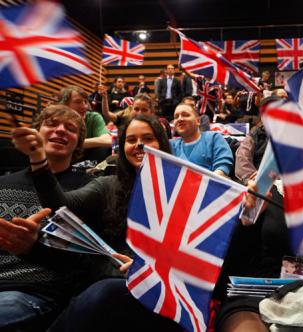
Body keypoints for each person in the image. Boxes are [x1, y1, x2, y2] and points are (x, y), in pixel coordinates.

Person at [12, 115, 183, 331]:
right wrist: (38, 158)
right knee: (106, 291)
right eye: (131, 140)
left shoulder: (184, 191)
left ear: (163, 143)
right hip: (109, 287)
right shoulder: (107, 185)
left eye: (148, 138)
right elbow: (62, 205)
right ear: (122, 148)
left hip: (162, 291)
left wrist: (150, 269)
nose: (139, 145)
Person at [0, 105, 94, 330]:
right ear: (36, 132)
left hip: (35, 293)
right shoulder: (3, 183)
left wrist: (32, 246)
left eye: (70, 128)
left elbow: (85, 262)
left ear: (78, 143)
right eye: (51, 124)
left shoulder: (90, 189)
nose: (60, 130)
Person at [171, 103, 233, 177]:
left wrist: (206, 184)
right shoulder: (171, 145)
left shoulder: (213, 138)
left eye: (185, 115)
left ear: (198, 121)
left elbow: (223, 165)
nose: (179, 119)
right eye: (176, 117)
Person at [57, 86, 112, 154]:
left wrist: (71, 144)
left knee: (104, 149)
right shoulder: (55, 120)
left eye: (85, 102)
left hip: (88, 159)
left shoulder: (93, 117)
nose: (84, 107)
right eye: (78, 102)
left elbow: (108, 140)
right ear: (64, 105)